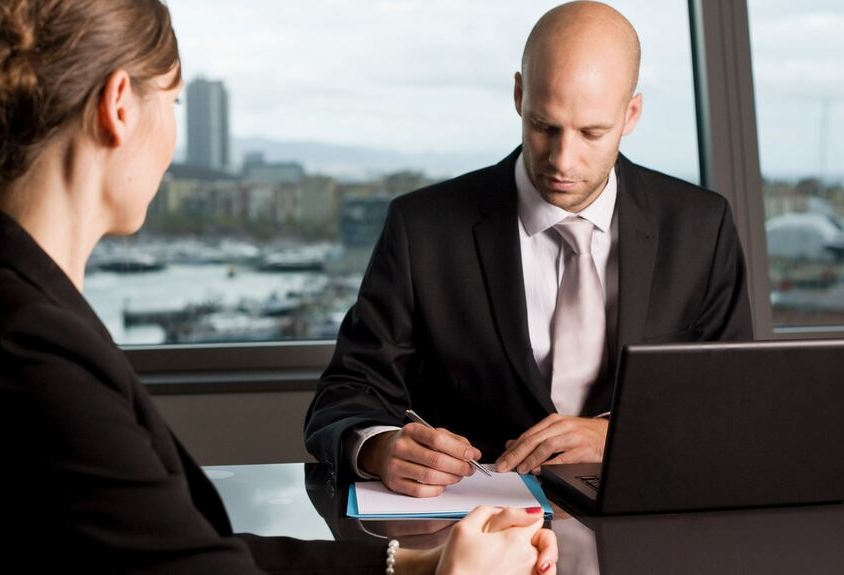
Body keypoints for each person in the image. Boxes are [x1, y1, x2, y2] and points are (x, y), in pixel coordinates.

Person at [0, 1, 557, 573]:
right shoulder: (18, 342)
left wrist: (411, 564)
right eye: (172, 100)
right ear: (119, 105)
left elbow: (179, 549)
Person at [304, 0, 753, 497]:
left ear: (631, 114)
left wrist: (620, 435)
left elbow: (735, 400)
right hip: (475, 524)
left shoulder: (701, 226)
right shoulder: (422, 228)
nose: (563, 160)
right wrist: (379, 447)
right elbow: (346, 393)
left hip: (648, 519)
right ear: (520, 96)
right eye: (545, 126)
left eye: (592, 133)